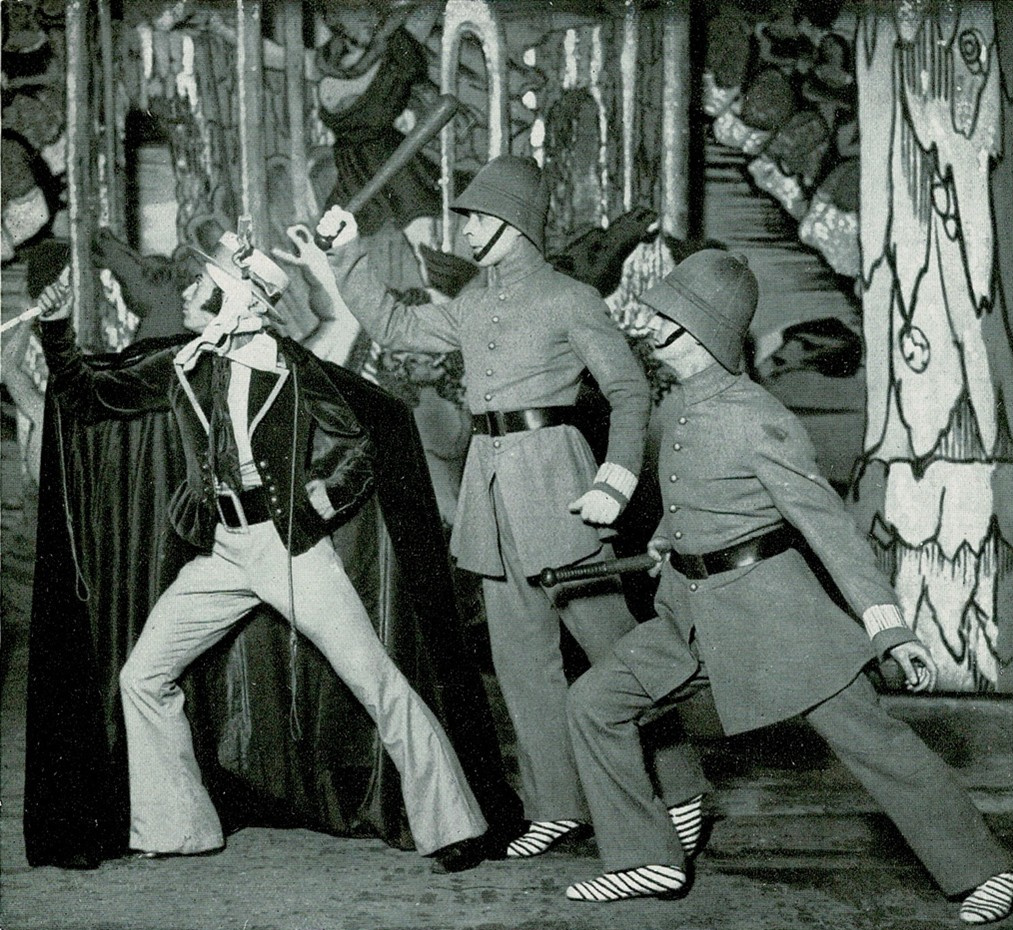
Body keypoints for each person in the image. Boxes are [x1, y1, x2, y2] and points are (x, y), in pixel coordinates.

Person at [563, 249, 1013, 924]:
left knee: (874, 742)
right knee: (594, 701)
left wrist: (889, 627)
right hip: (690, 612)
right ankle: (646, 858)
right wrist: (666, 538)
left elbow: (829, 528)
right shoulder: (677, 407)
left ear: (705, 332)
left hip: (778, 620)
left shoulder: (758, 418)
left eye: (666, 320)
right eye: (654, 317)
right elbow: (692, 493)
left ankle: (986, 871)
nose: (649, 331)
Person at [34, 230, 490, 873]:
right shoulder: (188, 362)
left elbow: (367, 440)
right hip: (223, 551)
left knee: (377, 682)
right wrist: (55, 329)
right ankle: (177, 827)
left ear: (234, 299)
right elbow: (93, 397)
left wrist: (327, 500)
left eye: (202, 284)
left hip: (289, 551)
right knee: (143, 677)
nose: (188, 292)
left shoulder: (290, 367)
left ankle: (455, 827)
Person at [312, 154, 710, 859]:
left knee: (617, 653)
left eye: (477, 218)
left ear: (514, 223)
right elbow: (399, 329)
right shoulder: (473, 302)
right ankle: (556, 805)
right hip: (491, 494)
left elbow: (628, 391)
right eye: (466, 218)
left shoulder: (570, 299)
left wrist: (616, 476)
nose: (466, 231)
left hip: (562, 488)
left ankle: (683, 792)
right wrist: (346, 255)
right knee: (523, 664)